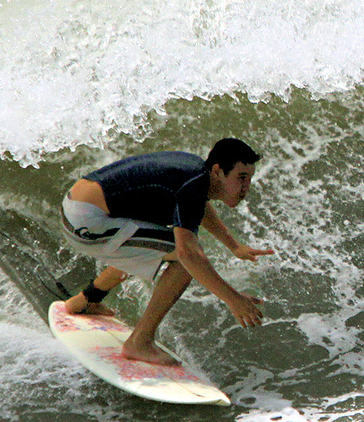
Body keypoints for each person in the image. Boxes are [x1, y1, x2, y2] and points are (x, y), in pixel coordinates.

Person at [59, 138, 272, 365]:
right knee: (185, 259)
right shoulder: (193, 182)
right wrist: (234, 300)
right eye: (241, 178)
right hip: (87, 222)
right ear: (218, 171)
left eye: (249, 179)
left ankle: (86, 300)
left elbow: (199, 206)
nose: (246, 187)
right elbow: (188, 254)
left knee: (150, 246)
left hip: (78, 211)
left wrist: (234, 246)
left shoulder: (196, 174)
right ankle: (139, 342)